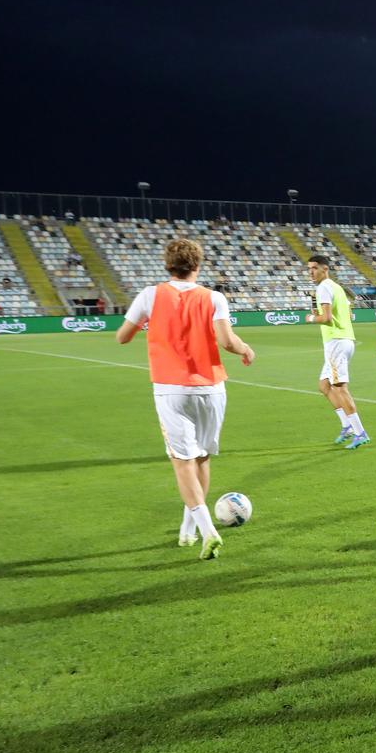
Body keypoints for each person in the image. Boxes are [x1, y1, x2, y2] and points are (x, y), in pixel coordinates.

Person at [115, 237, 255, 560]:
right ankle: (187, 531)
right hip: (211, 387)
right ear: (197, 265)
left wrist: (149, 323)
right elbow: (226, 340)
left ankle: (208, 531)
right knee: (202, 458)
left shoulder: (151, 295)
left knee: (182, 463)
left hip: (171, 388)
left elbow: (122, 336)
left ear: (168, 265)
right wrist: (245, 348)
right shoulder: (214, 297)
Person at [305, 254, 368, 449]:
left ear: (325, 268)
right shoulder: (336, 287)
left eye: (314, 268)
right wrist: (321, 315)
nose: (311, 273)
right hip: (345, 340)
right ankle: (347, 425)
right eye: (309, 269)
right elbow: (348, 314)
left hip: (336, 342)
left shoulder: (323, 287)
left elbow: (327, 318)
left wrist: (311, 318)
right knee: (324, 385)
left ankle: (360, 432)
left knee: (340, 388)